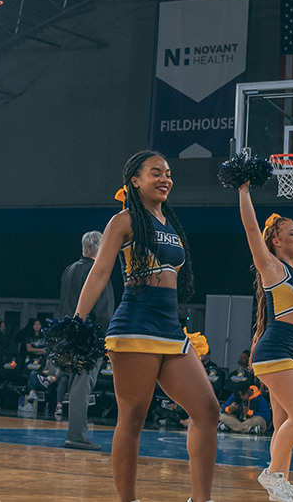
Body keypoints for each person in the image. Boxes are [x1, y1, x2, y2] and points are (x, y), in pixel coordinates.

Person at [74, 150, 218, 502]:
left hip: (170, 329)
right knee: (134, 416)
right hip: (135, 326)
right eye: (156, 173)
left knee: (208, 410)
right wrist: (77, 321)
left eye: (168, 173)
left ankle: (202, 499)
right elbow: (100, 273)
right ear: (134, 181)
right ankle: (128, 500)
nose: (165, 178)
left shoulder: (169, 221)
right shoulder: (123, 221)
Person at [238, 184, 293, 502]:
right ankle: (272, 474)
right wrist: (244, 191)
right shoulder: (272, 268)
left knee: (285, 421)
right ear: (276, 240)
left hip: (291, 355)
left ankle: (280, 489)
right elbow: (250, 228)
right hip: (275, 352)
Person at [58, 230, 115, 450]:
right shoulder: (97, 271)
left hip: (69, 335)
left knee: (75, 384)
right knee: (83, 384)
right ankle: (76, 436)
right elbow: (103, 311)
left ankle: (75, 433)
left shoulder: (69, 269)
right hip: (88, 337)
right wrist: (106, 341)